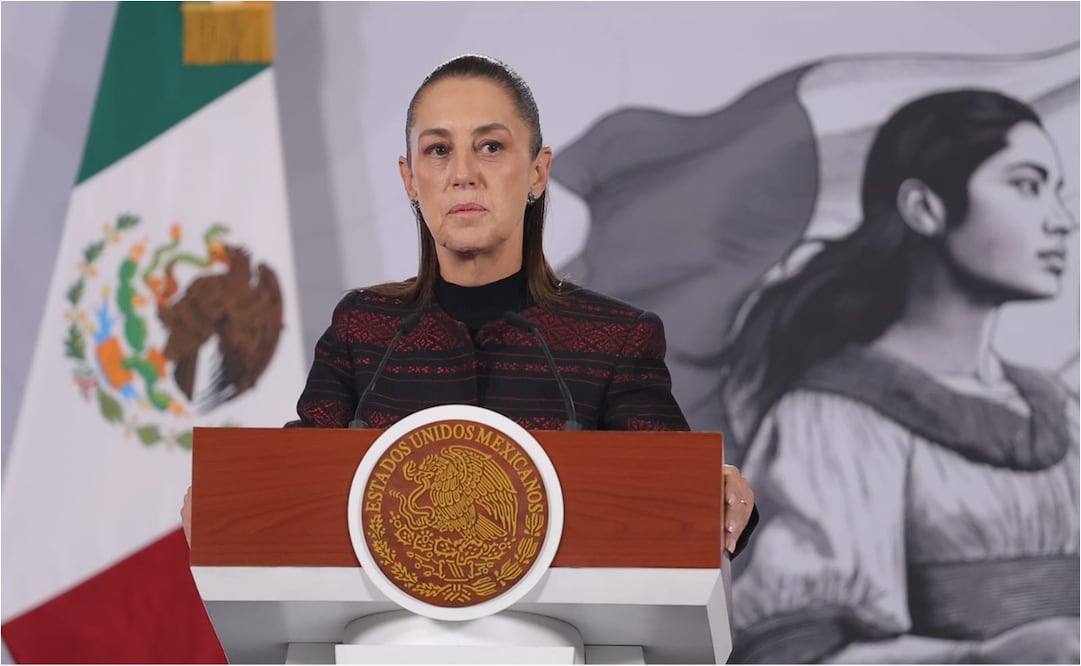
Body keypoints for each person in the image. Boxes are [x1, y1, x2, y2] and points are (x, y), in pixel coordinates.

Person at [182, 54, 758, 555]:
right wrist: (228, 496)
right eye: (437, 150)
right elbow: (298, 479)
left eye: (490, 146)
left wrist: (721, 491)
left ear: (537, 171)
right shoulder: (365, 330)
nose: (462, 175)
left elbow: (677, 501)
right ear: (410, 179)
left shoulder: (614, 338)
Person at [719, 89, 1078, 663]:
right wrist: (985, 658)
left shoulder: (1062, 408)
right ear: (925, 208)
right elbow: (791, 650)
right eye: (1027, 185)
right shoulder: (834, 418)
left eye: (1057, 192)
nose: (1064, 221)